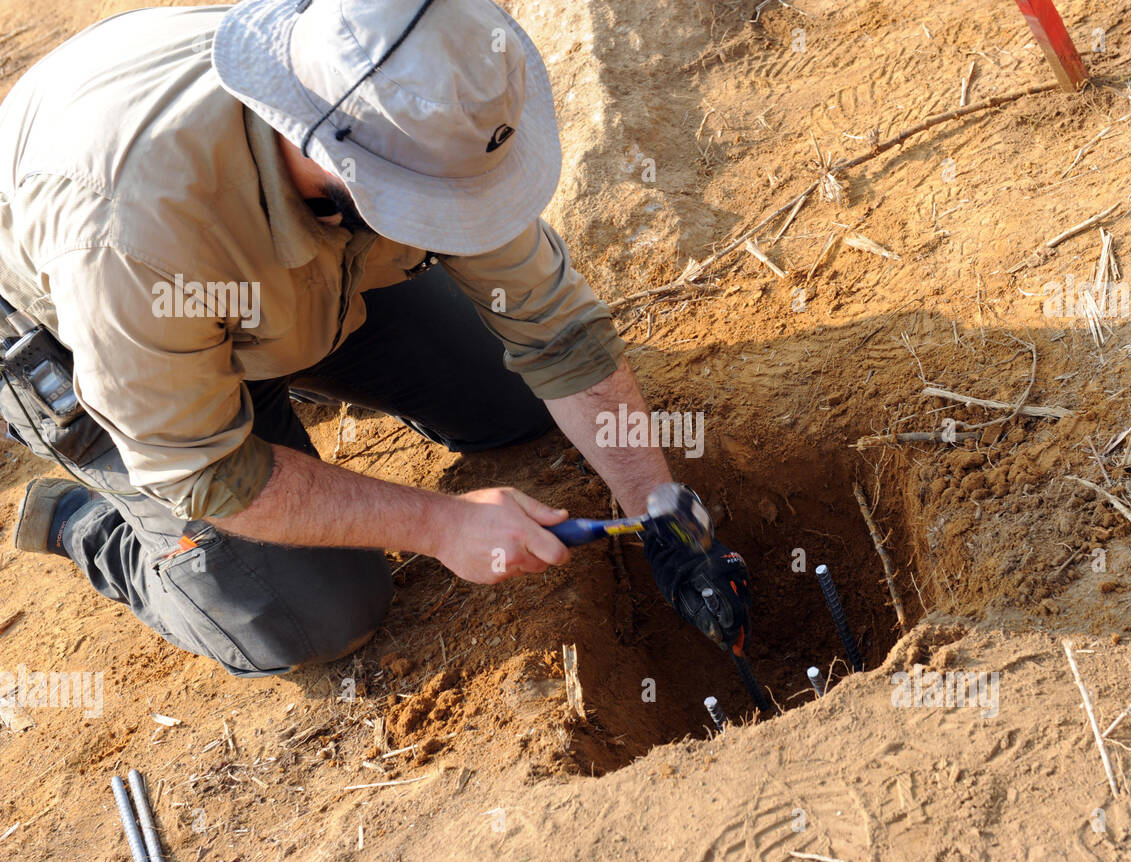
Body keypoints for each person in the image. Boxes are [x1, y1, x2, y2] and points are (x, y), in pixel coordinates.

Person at [0, 0, 750, 676]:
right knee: (319, 612)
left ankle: (284, 368)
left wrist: (657, 506)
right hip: (90, 327)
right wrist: (443, 522)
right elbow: (206, 475)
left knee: (514, 399)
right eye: (432, 204)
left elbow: (555, 330)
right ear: (335, 157)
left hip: (289, 279)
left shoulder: (417, 99)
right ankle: (89, 526)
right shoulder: (130, 236)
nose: (453, 216)